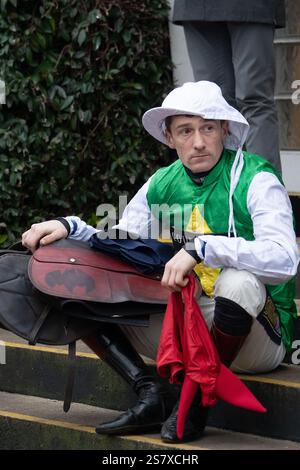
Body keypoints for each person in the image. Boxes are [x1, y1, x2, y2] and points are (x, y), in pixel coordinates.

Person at [22, 81, 299, 443]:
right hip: (189, 326)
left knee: (238, 283)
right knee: (72, 281)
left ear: (224, 130)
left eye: (208, 128)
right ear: (170, 138)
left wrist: (203, 248)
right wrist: (68, 226)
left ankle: (196, 402)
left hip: (259, 336)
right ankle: (151, 393)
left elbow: (285, 258)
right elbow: (121, 241)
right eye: (186, 131)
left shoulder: (256, 178)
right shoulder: (162, 182)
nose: (198, 142)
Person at [172, 0, 285, 172]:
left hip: (252, 7)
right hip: (197, 8)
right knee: (214, 106)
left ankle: (266, 191)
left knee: (254, 101)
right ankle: (222, 191)